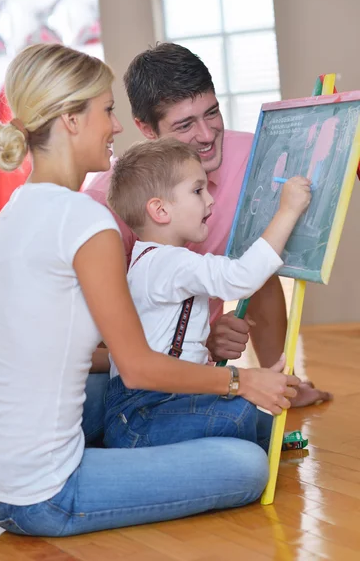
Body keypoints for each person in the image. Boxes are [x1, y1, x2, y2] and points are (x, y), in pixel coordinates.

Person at [0, 43, 301, 537]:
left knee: (123, 394)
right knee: (247, 465)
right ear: (71, 120)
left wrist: (200, 346)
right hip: (40, 494)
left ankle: (132, 450)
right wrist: (240, 382)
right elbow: (138, 367)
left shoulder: (19, 206)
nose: (116, 125)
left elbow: (62, 350)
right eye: (107, 110)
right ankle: (133, 454)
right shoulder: (88, 221)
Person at [84, 42, 332, 407]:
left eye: (212, 113)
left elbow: (257, 268)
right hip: (136, 369)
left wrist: (211, 343)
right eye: (185, 124)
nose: (205, 134)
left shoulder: (254, 155)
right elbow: (95, 338)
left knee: (258, 259)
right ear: (145, 128)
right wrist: (191, 351)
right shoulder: (107, 203)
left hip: (196, 347)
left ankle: (282, 378)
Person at [103, 138, 311, 450]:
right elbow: (241, 278)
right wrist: (288, 210)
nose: (211, 200)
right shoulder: (166, 263)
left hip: (164, 401)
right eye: (198, 190)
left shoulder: (158, 260)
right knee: (240, 415)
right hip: (143, 412)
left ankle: (256, 444)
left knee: (258, 420)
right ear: (160, 210)